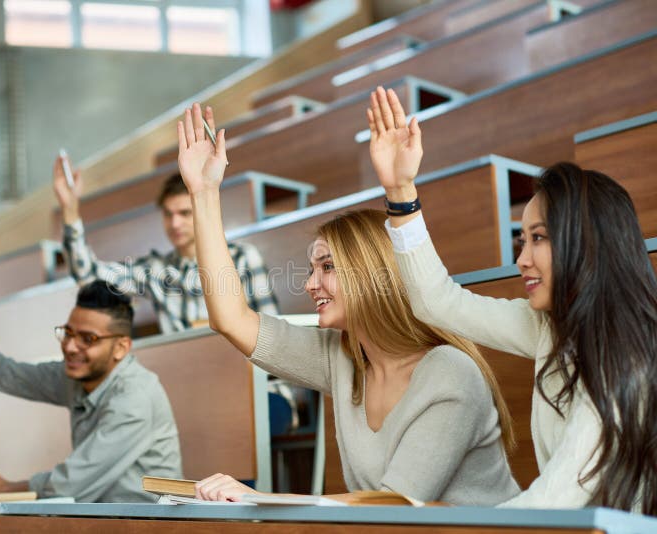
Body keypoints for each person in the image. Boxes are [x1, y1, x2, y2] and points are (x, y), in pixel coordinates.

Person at [176, 103, 521, 505]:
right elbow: (231, 319)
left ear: (372, 273)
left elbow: (394, 505)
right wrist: (203, 193)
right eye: (311, 269)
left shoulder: (450, 373)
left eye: (327, 266)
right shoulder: (343, 358)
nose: (309, 284)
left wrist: (261, 498)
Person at [369, 85, 657, 513]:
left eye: (538, 239)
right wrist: (400, 192)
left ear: (586, 242)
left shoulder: (627, 353)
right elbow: (437, 303)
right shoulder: (549, 328)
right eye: (521, 241)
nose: (522, 260)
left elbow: (556, 499)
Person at [0, 267, 183, 503]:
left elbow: (72, 483)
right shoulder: (74, 377)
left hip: (152, 524)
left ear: (121, 347)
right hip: (101, 521)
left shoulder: (135, 396)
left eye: (88, 339)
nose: (71, 346)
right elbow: (2, 372)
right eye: (68, 333)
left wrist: (5, 489)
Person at [53, 161, 279, 334]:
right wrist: (70, 210)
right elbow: (89, 276)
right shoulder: (156, 270)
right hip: (189, 381)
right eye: (168, 214)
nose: (175, 223)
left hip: (247, 378)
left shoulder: (242, 258)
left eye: (184, 213)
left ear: (202, 212)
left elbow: (270, 332)